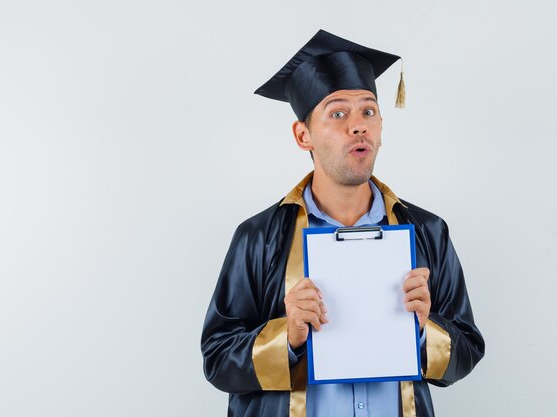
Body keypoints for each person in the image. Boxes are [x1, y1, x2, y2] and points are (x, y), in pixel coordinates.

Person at [201, 29, 485, 417]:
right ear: (304, 135)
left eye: (368, 111)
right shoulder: (260, 237)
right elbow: (217, 360)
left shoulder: (428, 232)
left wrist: (423, 329)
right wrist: (289, 337)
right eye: (338, 113)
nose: (358, 125)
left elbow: (467, 350)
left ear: (381, 128)